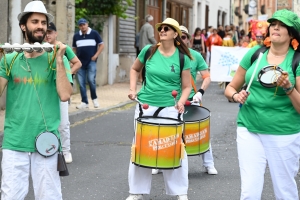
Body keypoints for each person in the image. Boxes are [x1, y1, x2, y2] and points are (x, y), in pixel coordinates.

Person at [0, 1, 73, 199]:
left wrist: (59, 60)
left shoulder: (57, 58)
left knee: (49, 196)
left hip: (46, 141)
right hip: (15, 142)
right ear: (24, 26)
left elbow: (65, 95)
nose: (40, 26)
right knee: (10, 196)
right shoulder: (9, 59)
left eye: (43, 22)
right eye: (35, 21)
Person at [224, 9, 300, 199]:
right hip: (249, 128)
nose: (276, 27)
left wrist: (289, 88)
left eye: (282, 25)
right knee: (249, 191)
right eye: (273, 23)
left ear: (292, 34)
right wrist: (236, 96)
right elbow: (230, 88)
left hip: (284, 132)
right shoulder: (255, 54)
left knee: (285, 190)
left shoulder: (296, 61)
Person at [127, 18, 192, 200]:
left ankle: (180, 192)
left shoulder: (182, 57)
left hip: (171, 108)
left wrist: (181, 101)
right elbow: (134, 69)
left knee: (175, 148)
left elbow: (186, 86)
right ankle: (136, 191)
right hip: (145, 106)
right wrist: (132, 89)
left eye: (167, 28)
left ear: (175, 34)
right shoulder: (149, 51)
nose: (162, 30)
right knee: (141, 147)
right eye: (161, 28)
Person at [179, 25, 218, 175]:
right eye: (178, 37)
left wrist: (200, 92)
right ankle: (161, 162)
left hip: (191, 100)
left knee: (201, 131)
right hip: (170, 101)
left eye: (183, 37)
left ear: (188, 39)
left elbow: (207, 77)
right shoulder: (166, 55)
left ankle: (209, 163)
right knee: (167, 133)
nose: (180, 40)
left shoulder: (196, 56)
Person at [46, 22, 82, 163]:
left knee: (63, 122)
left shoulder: (63, 48)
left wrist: (68, 75)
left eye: (50, 32)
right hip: (47, 89)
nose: (47, 35)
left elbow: (77, 62)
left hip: (61, 89)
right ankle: (49, 148)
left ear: (56, 33)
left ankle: (66, 151)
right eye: (46, 32)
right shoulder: (40, 48)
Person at [72, 18, 104, 109]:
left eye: (84, 24)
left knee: (91, 80)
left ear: (87, 24)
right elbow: (74, 48)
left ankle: (94, 99)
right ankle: (84, 102)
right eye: (81, 25)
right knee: (81, 83)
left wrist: (96, 55)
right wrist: (75, 58)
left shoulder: (94, 33)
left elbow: (102, 45)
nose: (83, 26)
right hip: (80, 62)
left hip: (91, 61)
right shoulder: (76, 36)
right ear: (79, 26)